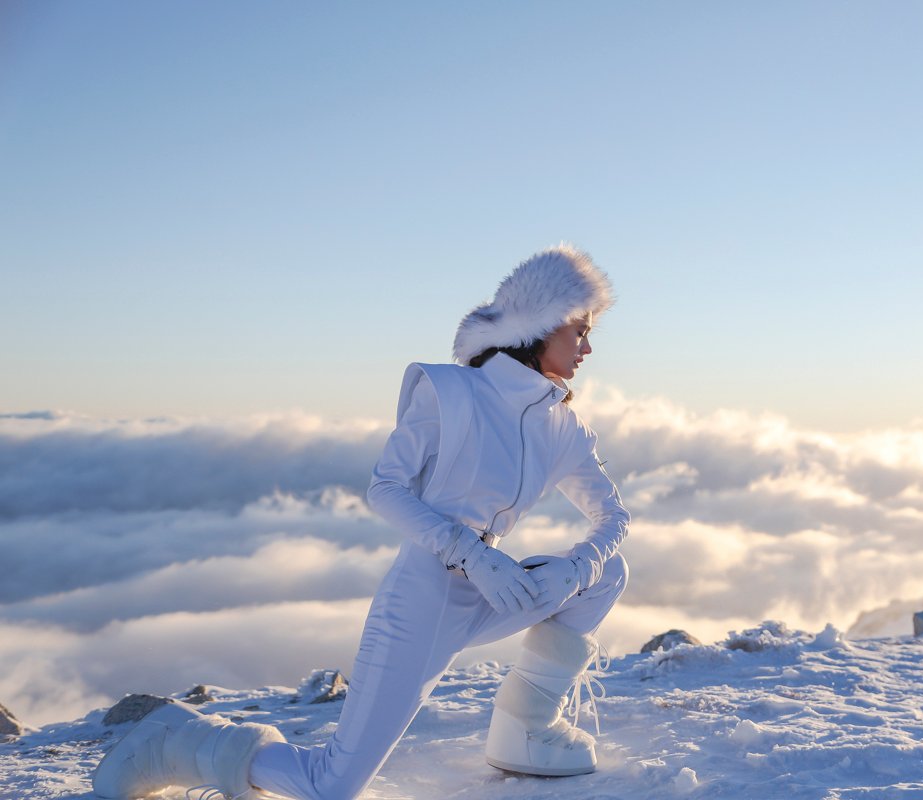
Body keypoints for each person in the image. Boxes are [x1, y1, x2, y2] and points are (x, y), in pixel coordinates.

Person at [91, 245, 631, 800]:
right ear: (539, 327)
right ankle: (177, 741)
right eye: (579, 331)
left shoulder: (561, 423)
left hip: (495, 592)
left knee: (610, 573)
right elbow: (385, 489)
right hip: (425, 596)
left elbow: (613, 516)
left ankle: (527, 728)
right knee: (331, 785)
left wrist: (579, 568)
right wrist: (473, 555)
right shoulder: (452, 393)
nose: (588, 348)